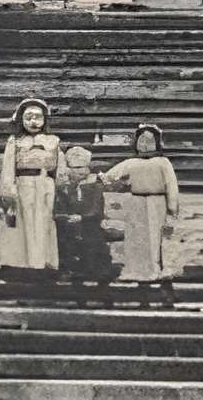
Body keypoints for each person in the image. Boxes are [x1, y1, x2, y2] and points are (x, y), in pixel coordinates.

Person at [101, 123, 181, 301]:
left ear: (157, 143)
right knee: (139, 243)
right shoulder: (131, 163)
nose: (145, 144)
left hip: (158, 204)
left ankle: (166, 287)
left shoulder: (163, 163)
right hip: (136, 204)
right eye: (141, 140)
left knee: (159, 244)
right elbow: (109, 176)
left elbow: (172, 187)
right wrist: (113, 183)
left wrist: (172, 211)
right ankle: (142, 285)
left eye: (149, 141)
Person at [0, 97, 65, 278]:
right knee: (21, 225)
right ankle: (19, 263)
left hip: (46, 187)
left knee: (43, 223)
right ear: (21, 120)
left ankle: (42, 263)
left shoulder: (53, 142)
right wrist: (9, 192)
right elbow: (8, 169)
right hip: (23, 187)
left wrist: (61, 188)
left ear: (45, 119)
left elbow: (60, 169)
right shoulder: (15, 142)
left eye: (38, 117)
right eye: (29, 117)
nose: (33, 121)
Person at [55, 144, 114, 291]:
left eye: (82, 167)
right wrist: (64, 216)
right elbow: (60, 206)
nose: (79, 172)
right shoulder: (65, 188)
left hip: (90, 225)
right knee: (68, 242)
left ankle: (101, 281)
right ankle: (74, 276)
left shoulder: (94, 186)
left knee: (94, 245)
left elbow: (97, 207)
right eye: (75, 168)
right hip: (71, 226)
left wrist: (83, 217)